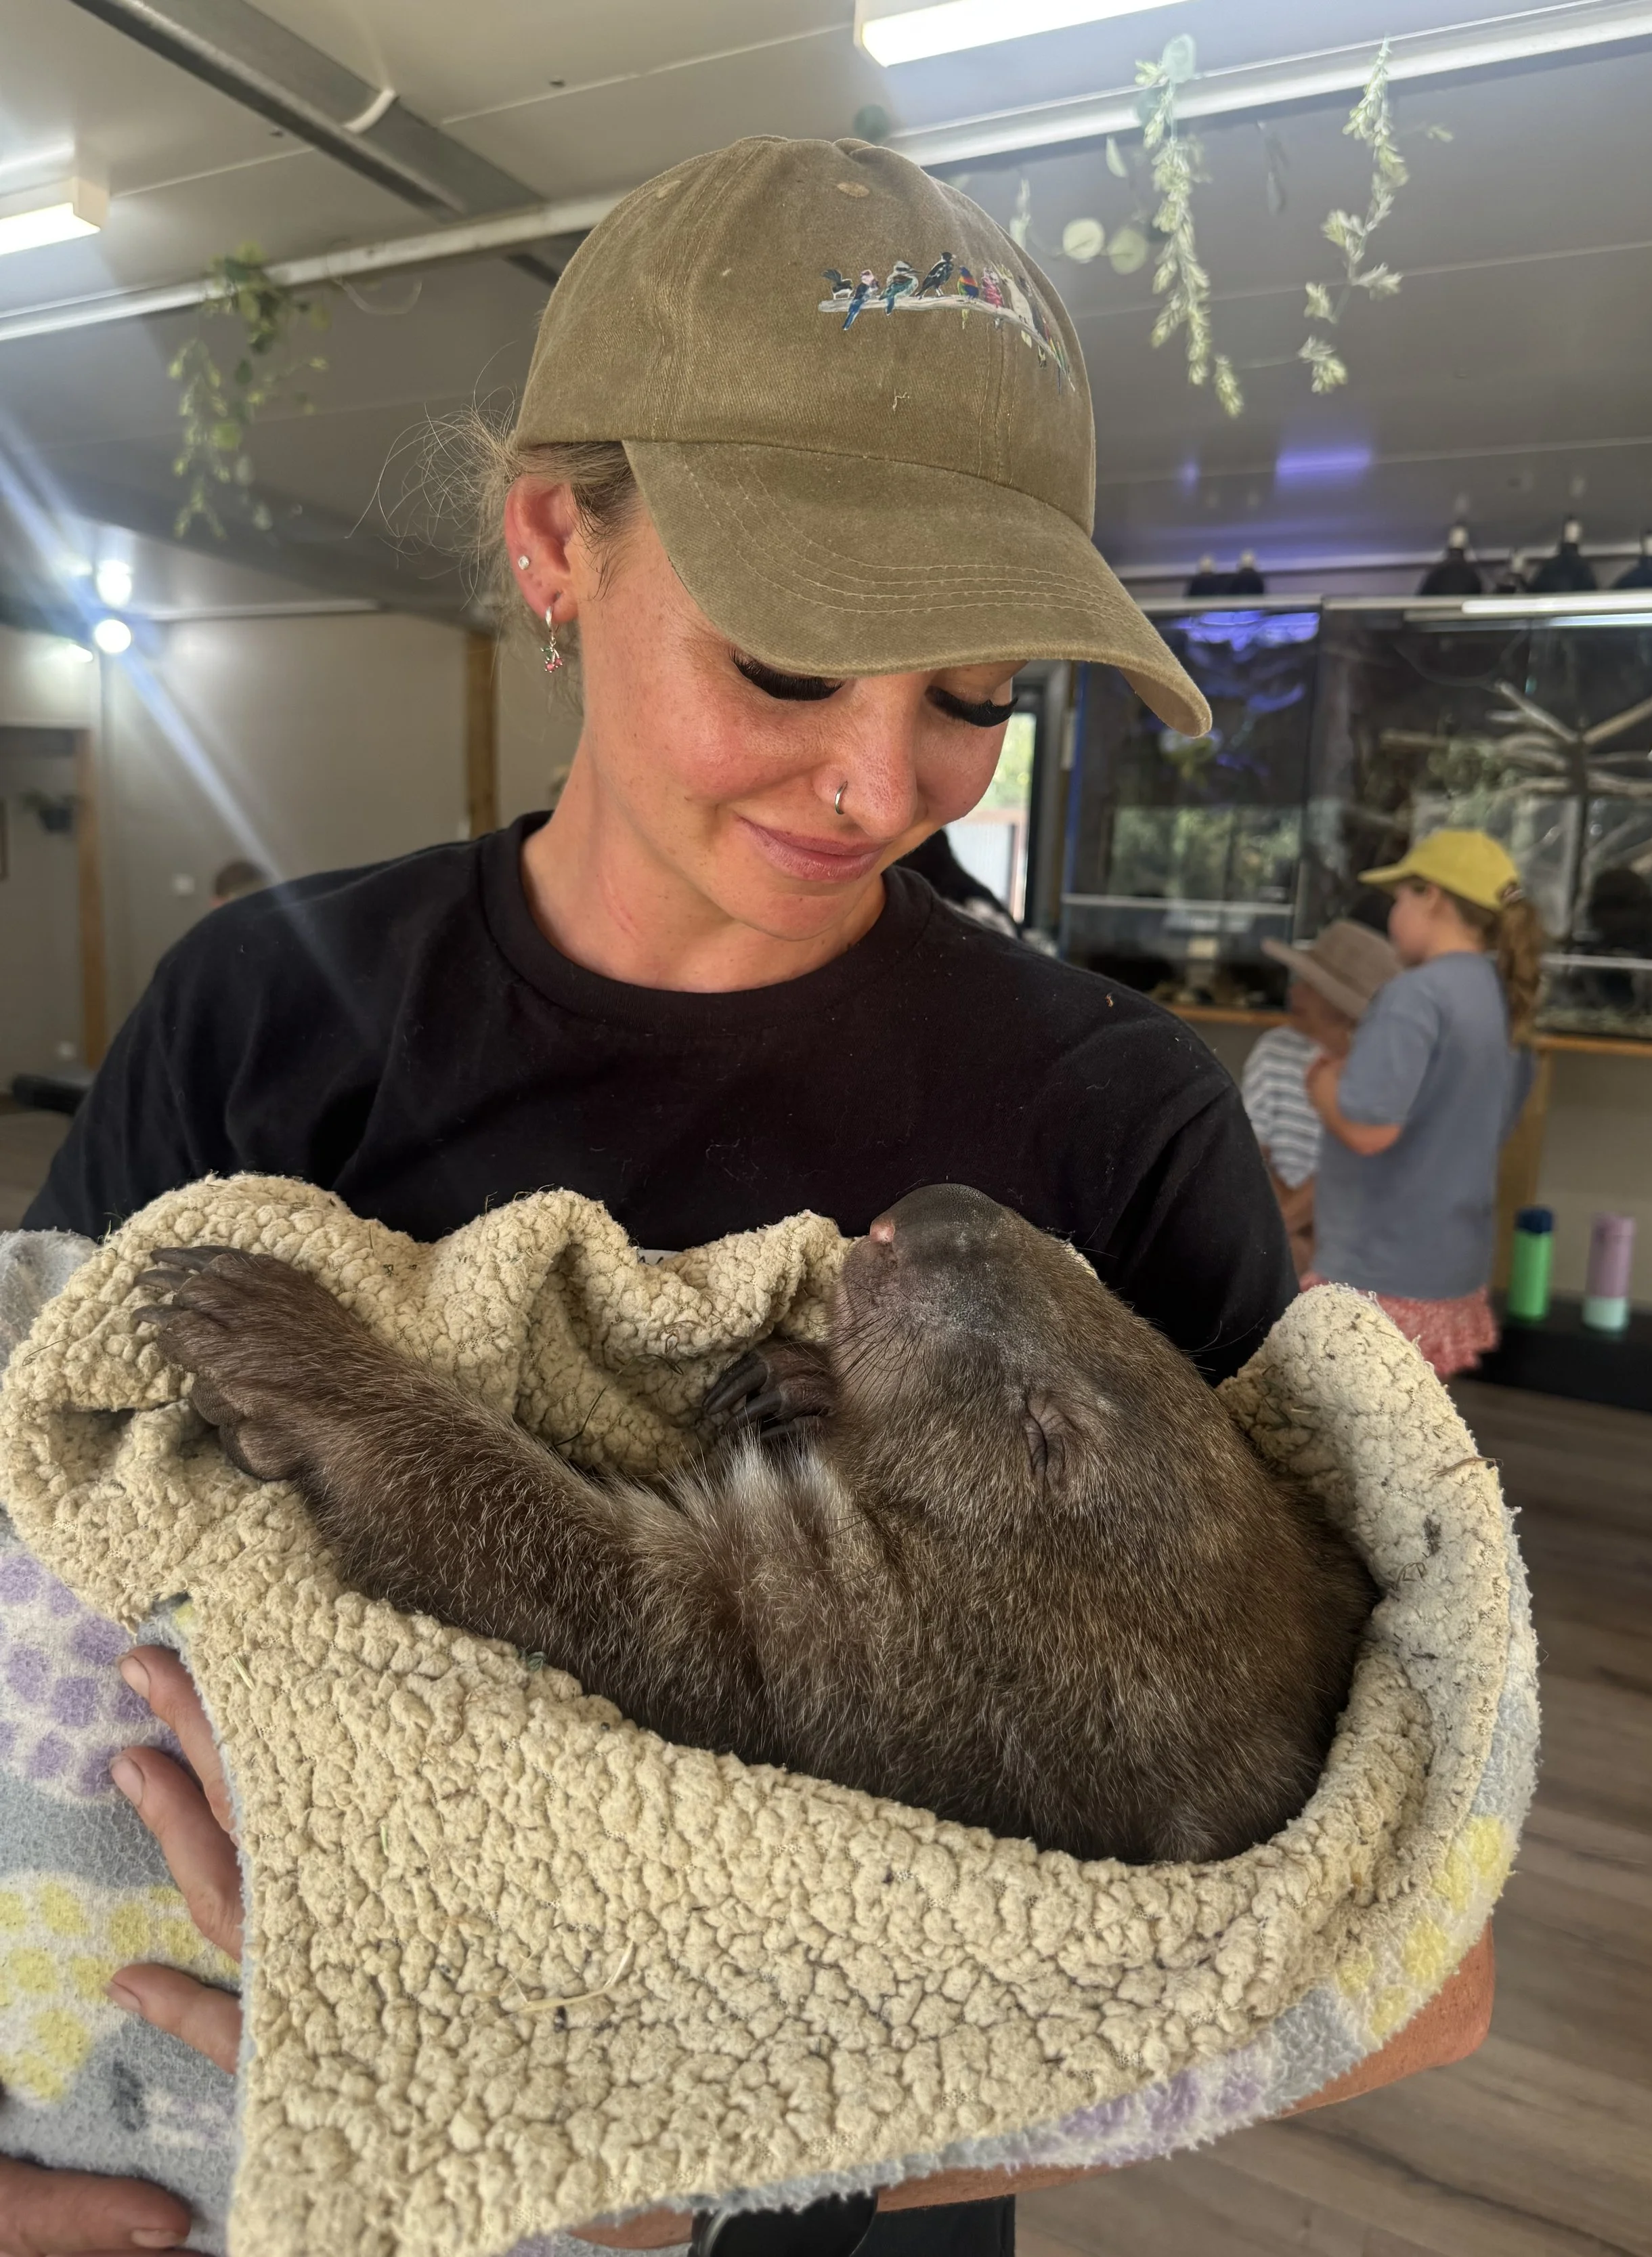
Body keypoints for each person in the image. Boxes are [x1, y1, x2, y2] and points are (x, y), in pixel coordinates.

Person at [7, 136, 1294, 2255]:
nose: (887, 782)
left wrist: (638, 2138)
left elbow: (1357, 1966)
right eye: (790, 663)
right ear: (553, 543)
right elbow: (42, 1592)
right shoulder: (270, 1012)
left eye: (975, 691)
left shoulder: (1107, 1117)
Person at [1303, 831, 1542, 1380]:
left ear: (1428, 894)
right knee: (1411, 1433)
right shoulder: (1503, 995)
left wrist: (1320, 1082)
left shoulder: (1416, 995)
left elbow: (1369, 1131)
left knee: (1340, 1443)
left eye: (1400, 898)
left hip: (1379, 1271)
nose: (1393, 915)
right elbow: (1497, 1120)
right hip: (1452, 1269)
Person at [1247, 921, 1401, 1273]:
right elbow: (1250, 1151)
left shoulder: (1386, 1072)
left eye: (1310, 985)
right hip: (1281, 1229)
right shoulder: (1274, 1049)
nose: (1294, 993)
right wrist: (1285, 1235)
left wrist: (1278, 1231)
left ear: (1343, 1010)